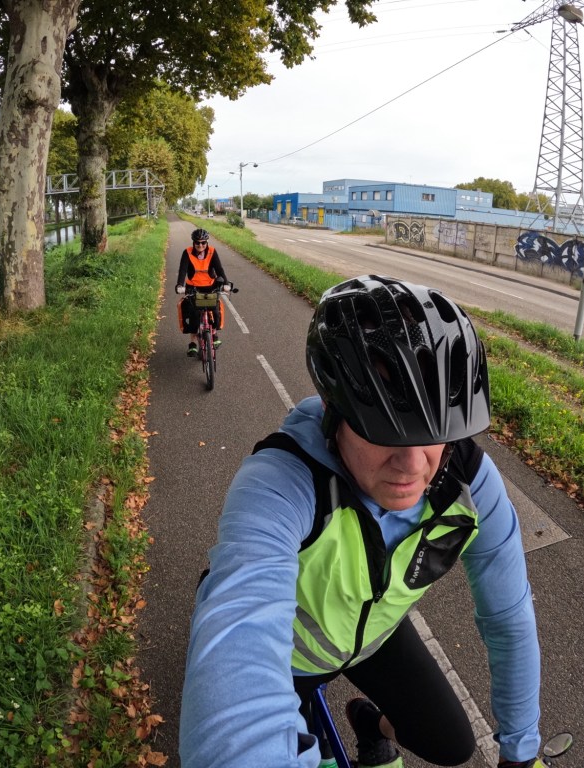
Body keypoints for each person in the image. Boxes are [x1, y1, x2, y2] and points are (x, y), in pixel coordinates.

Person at [180, 275, 544, 768]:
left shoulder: (469, 481)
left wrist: (520, 752)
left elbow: (508, 619)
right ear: (333, 411)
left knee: (453, 746)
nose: (413, 465)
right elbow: (239, 651)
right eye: (384, 430)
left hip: (373, 636)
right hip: (288, 655)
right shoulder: (280, 483)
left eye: (433, 432)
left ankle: (372, 726)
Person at [176, 228, 229, 357]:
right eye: (197, 242)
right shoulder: (187, 252)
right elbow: (182, 270)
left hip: (210, 286)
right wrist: (180, 285)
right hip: (193, 288)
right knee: (193, 313)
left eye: (203, 242)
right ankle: (193, 343)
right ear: (193, 242)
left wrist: (226, 284)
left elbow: (219, 269)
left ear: (207, 242)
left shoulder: (212, 252)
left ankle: (214, 334)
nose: (200, 245)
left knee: (215, 310)